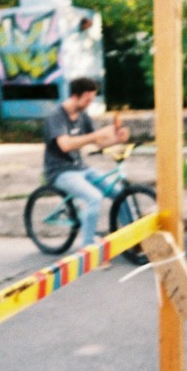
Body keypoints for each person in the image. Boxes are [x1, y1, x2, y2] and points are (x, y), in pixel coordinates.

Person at [43, 77, 130, 247]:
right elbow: (65, 145)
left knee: (120, 193)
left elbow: (98, 142)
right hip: (59, 171)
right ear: (75, 96)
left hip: (80, 168)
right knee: (94, 198)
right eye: (87, 100)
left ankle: (131, 239)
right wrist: (95, 135)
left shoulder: (82, 115)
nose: (90, 103)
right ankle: (88, 246)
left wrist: (117, 139)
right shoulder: (56, 116)